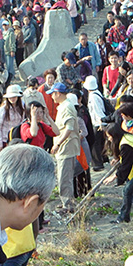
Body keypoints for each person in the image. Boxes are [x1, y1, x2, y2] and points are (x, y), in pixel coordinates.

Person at [49, 82, 80, 214]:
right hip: (65, 146)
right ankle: (66, 202)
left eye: (53, 94)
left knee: (64, 177)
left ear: (58, 93)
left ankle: (68, 205)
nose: (51, 97)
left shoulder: (67, 107)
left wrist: (58, 143)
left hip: (66, 147)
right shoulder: (63, 106)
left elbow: (69, 128)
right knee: (63, 175)